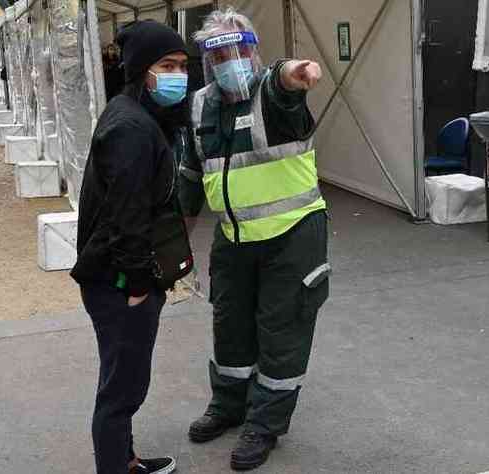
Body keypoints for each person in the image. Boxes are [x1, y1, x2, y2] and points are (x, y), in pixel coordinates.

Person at [178, 9, 328, 471]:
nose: (231, 60)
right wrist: (177, 251)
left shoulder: (271, 90)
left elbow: (287, 84)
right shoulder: (201, 104)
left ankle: (264, 426)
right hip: (233, 238)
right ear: (208, 60)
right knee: (230, 326)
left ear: (253, 51)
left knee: (281, 333)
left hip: (293, 235)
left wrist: (293, 72)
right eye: (220, 53)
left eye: (239, 50)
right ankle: (228, 406)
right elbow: (190, 175)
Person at [71, 20, 192, 474]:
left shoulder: (133, 114)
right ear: (142, 70)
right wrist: (138, 283)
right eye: (167, 65)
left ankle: (126, 460)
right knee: (121, 392)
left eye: (182, 65)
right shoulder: (132, 128)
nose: (178, 74)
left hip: (117, 278)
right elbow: (126, 217)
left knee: (121, 379)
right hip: (119, 283)